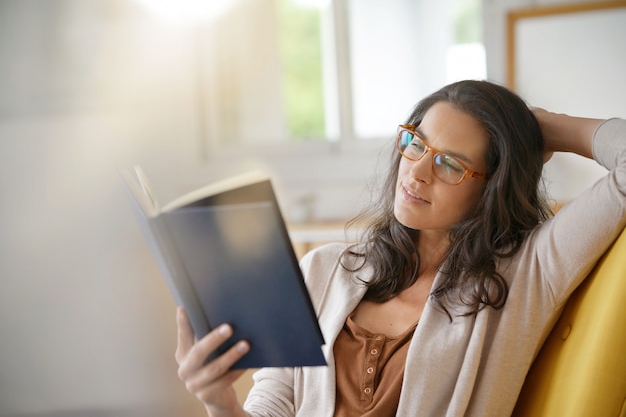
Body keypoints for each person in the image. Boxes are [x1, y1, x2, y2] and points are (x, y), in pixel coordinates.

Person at [175, 80, 626, 416]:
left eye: (450, 164)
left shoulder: (525, 275)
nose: (418, 172)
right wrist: (218, 400)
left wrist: (542, 128)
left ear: (493, 187)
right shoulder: (322, 271)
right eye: (417, 143)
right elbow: (272, 406)